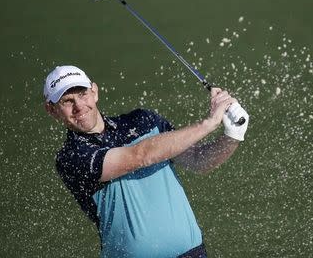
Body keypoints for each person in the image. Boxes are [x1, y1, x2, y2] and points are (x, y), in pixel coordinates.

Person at [44, 65, 249, 258]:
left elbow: (198, 160)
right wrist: (209, 123)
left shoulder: (143, 120)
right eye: (67, 101)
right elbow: (138, 156)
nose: (79, 106)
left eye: (82, 94)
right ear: (52, 110)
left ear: (94, 92)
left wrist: (233, 135)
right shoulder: (71, 157)